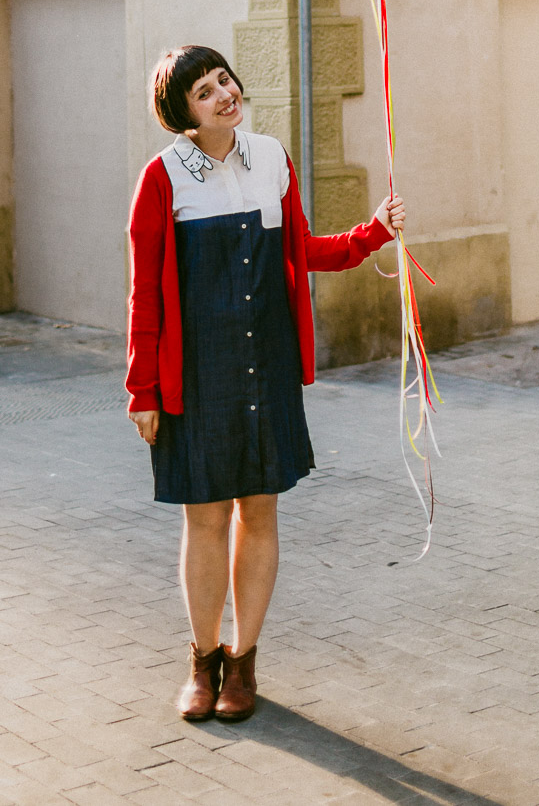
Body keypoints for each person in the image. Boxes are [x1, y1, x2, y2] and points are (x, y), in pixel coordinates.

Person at [126, 45, 405, 723]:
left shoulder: (272, 157)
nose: (224, 93)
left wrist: (372, 233)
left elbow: (300, 250)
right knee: (205, 518)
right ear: (181, 114)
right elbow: (145, 295)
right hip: (197, 374)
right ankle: (202, 659)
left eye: (224, 79)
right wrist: (143, 390)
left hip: (266, 363)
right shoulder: (161, 180)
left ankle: (242, 661)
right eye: (203, 91)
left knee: (260, 513)